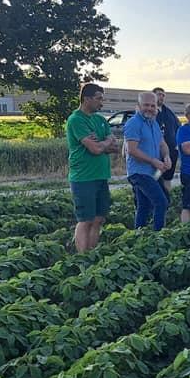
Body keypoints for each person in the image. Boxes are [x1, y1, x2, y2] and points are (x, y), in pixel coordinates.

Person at [66, 83, 119, 252]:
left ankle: (92, 251)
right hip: (83, 177)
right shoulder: (76, 120)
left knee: (98, 219)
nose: (101, 103)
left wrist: (103, 143)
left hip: (101, 175)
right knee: (85, 219)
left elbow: (114, 146)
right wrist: (104, 143)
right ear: (86, 99)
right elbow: (95, 149)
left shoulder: (100, 120)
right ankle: (82, 257)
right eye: (98, 99)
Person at [125, 91, 171, 231]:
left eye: (153, 105)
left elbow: (162, 144)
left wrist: (166, 156)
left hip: (152, 172)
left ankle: (139, 235)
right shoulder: (134, 123)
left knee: (143, 205)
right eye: (146, 105)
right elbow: (132, 150)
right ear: (138, 106)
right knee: (161, 202)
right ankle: (158, 235)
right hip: (139, 172)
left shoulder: (154, 123)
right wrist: (153, 161)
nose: (150, 108)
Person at [154, 87, 181, 196]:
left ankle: (167, 202)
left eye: (163, 95)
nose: (161, 97)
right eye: (158, 94)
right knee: (155, 178)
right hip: (155, 154)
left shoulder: (169, 113)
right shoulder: (150, 113)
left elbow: (179, 127)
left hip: (171, 153)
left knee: (167, 179)